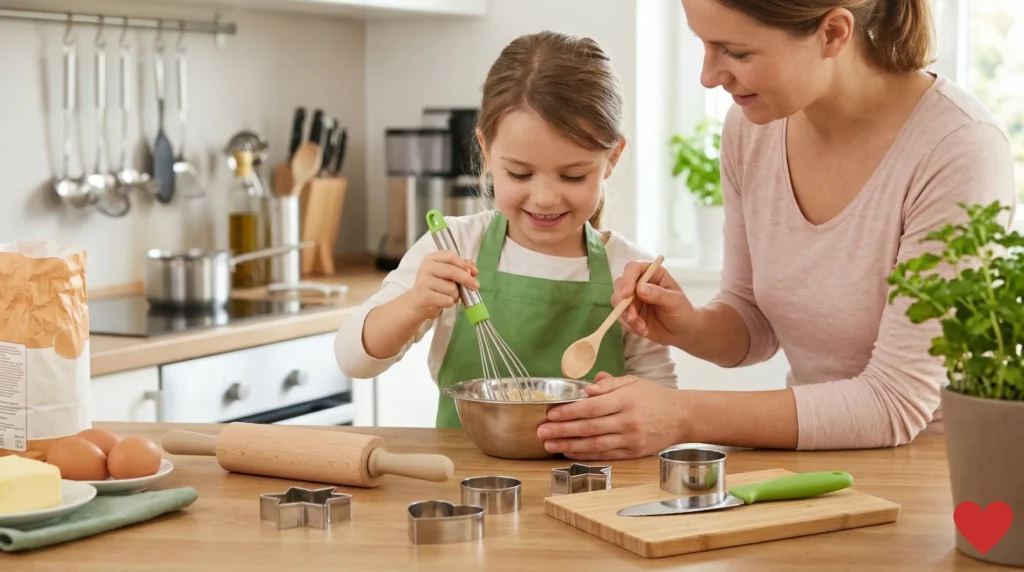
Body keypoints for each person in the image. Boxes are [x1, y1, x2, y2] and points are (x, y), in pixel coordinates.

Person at [536, 0, 1018, 460]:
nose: (708, 76)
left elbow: (896, 403)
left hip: (937, 475)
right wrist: (690, 325)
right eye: (704, 45)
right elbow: (754, 321)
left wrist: (682, 415)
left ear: (832, 33)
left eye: (737, 52)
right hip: (816, 466)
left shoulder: (958, 147)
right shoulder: (753, 129)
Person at [334, 31, 678, 428]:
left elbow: (662, 401)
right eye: (520, 173)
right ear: (486, 151)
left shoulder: (629, 270)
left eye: (572, 176)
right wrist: (414, 303)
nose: (545, 197)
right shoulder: (453, 247)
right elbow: (351, 359)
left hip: (592, 483)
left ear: (612, 159)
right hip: (469, 484)